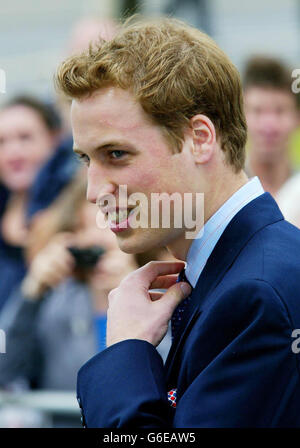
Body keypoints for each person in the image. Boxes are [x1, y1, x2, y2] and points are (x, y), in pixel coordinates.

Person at [55, 18, 300, 427]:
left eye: (116, 154)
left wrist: (127, 350)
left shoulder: (258, 297)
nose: (94, 191)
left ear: (200, 139)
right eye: (85, 159)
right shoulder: (241, 272)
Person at [0, 172, 138, 391]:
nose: (96, 239)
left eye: (110, 223)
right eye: (85, 228)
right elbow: (4, 367)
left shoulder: (160, 294)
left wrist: (134, 296)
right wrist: (30, 292)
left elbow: (172, 375)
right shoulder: (58, 302)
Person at [0, 95, 61, 311]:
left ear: (54, 139)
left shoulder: (77, 211)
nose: (12, 152)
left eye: (25, 138)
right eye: (1, 142)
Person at [243, 56, 300, 198]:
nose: (268, 126)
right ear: (241, 116)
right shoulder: (224, 194)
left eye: (279, 111)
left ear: (297, 117)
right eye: (257, 110)